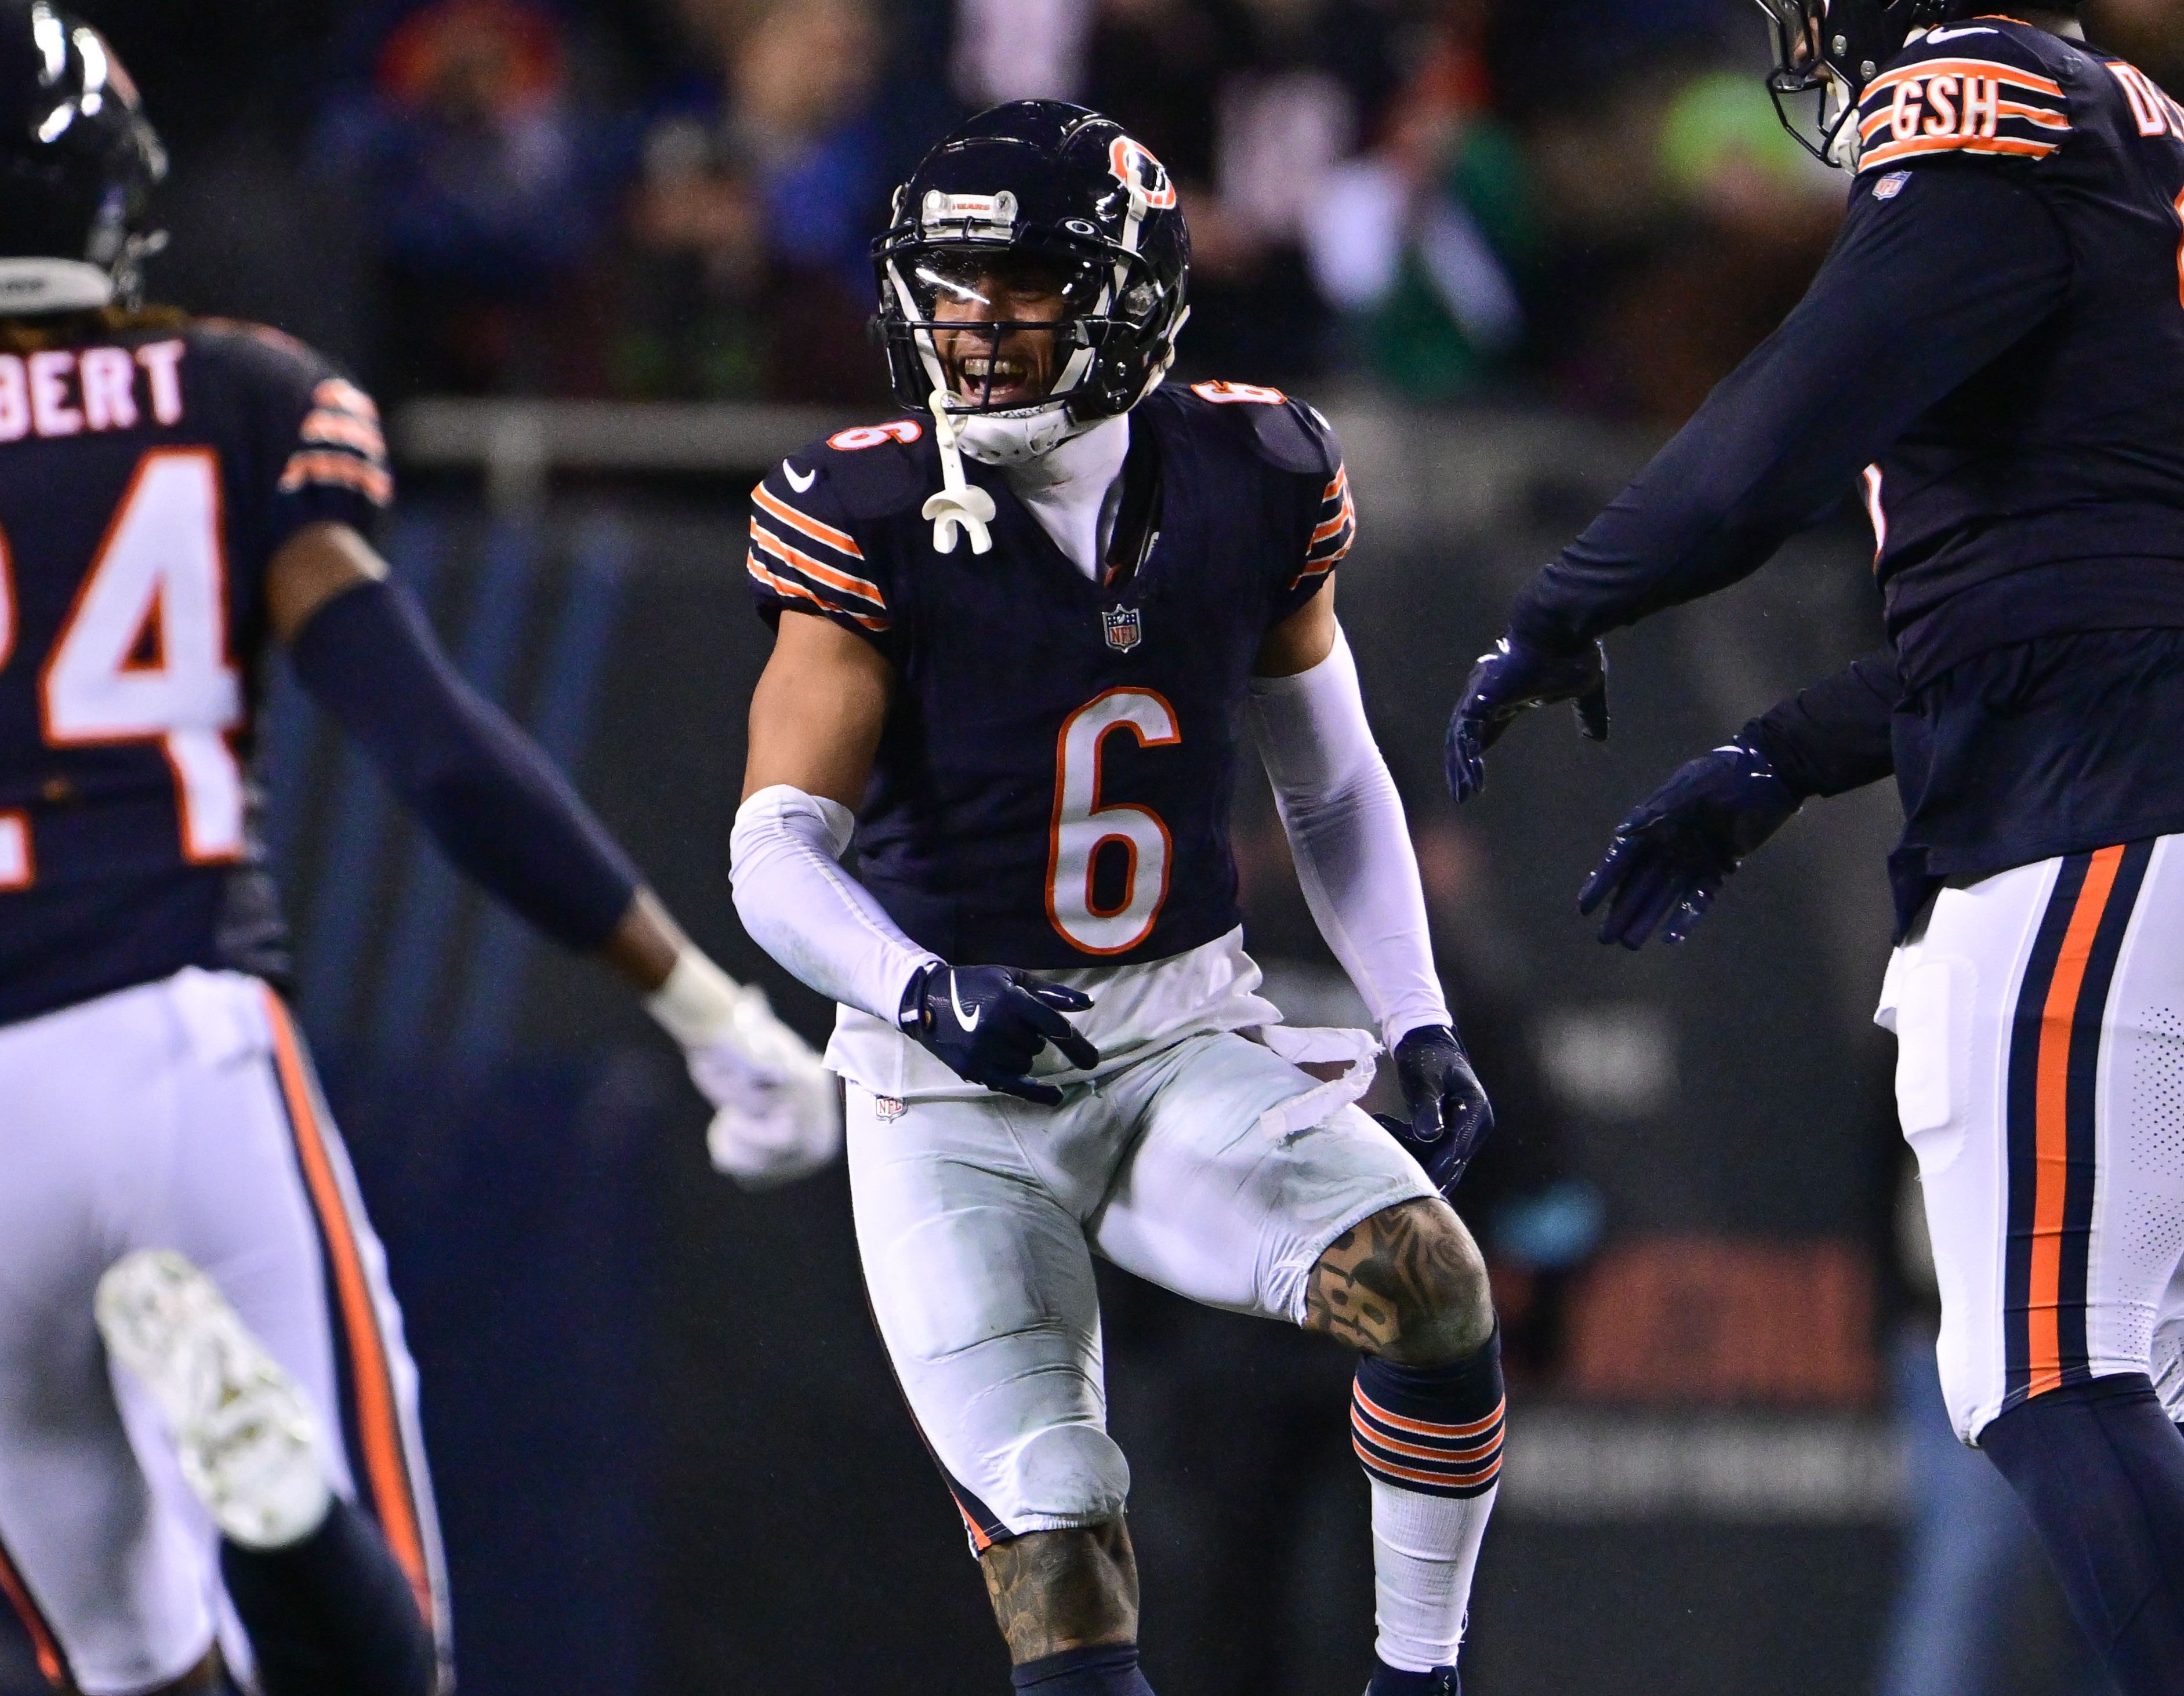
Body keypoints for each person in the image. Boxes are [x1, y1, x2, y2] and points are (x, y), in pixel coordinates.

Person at [0, 8, 837, 1694]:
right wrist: (704, 1010)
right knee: (392, 1664)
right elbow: (434, 749)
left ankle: (266, 1531)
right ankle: (293, 1522)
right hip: (179, 1048)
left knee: (132, 1671)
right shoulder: (235, 392)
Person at [1441, 3, 2184, 1691]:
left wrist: (1573, 595)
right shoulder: (2140, 146)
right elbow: (2058, 595)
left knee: (2049, 1372)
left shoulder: (1987, 99)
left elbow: (1788, 420)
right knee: (2152, 1382)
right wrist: (1778, 752)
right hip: (2125, 778)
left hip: (2101, 820)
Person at [730, 100, 1503, 1696]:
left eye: (1018, 283)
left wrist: (1414, 1015)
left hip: (1176, 1039)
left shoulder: (1255, 468)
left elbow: (1334, 781)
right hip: (946, 1087)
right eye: (946, 289)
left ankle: (1416, 1681)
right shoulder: (868, 509)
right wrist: (924, 987)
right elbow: (774, 851)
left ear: (1129, 292)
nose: (972, 327)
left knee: (1430, 1286)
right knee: (1065, 1537)